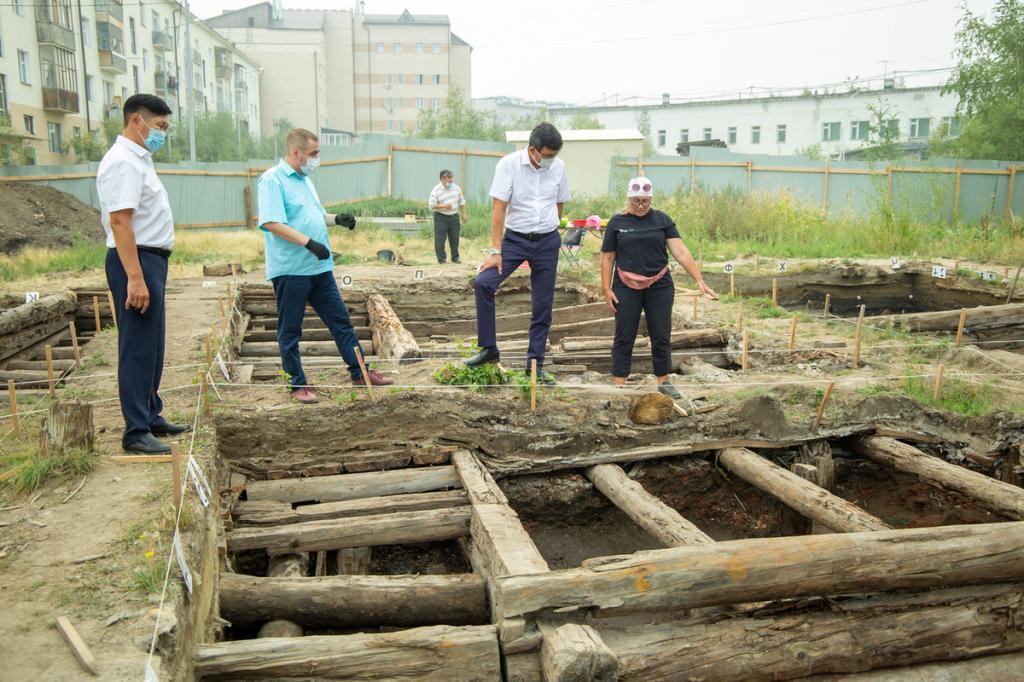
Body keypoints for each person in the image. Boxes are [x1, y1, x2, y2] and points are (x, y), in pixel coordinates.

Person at [257, 128, 394, 404]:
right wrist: (308, 243)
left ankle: (360, 372)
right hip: (291, 270)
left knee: (341, 322)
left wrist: (336, 220)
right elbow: (271, 222)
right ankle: (297, 384)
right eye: (314, 153)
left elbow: (314, 215)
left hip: (319, 268)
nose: (317, 158)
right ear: (296, 153)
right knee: (291, 330)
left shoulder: (305, 179)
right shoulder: (273, 180)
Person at [97, 93, 191, 454]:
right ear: (137, 121)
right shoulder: (122, 161)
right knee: (137, 346)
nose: (162, 134)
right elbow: (120, 222)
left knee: (153, 344)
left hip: (151, 259)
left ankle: (151, 414)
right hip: (134, 260)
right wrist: (135, 278)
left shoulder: (140, 160)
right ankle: (135, 430)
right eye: (160, 127)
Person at [466, 122, 570, 384]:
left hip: (547, 242)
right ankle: (489, 348)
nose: (550, 161)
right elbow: (498, 209)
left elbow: (559, 204)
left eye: (554, 156)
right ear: (532, 150)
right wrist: (495, 251)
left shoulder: (559, 167)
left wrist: (550, 229)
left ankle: (535, 366)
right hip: (515, 240)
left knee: (542, 304)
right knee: (484, 284)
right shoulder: (509, 165)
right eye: (546, 156)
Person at [600, 176, 717, 399]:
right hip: (626, 285)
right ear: (628, 199)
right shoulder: (617, 223)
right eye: (636, 201)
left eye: (645, 201)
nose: (641, 206)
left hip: (659, 286)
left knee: (661, 334)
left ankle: (663, 381)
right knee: (625, 335)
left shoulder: (662, 220)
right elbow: (607, 258)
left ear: (651, 199)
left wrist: (699, 280)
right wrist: (606, 289)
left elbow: (680, 252)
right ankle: (618, 385)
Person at [428, 169, 467, 264]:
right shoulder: (436, 190)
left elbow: (462, 202)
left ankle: (455, 257)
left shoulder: (456, 188)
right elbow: (431, 205)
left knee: (455, 238)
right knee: (440, 240)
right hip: (441, 217)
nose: (451, 181)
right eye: (449, 180)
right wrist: (444, 206)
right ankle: (442, 259)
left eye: (451, 179)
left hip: (454, 217)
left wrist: (464, 214)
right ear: (442, 179)